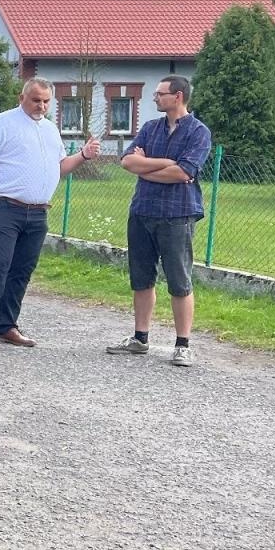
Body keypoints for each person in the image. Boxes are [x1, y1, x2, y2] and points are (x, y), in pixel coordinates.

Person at [0, 78, 101, 352]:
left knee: (22, 271)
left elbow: (60, 167)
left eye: (46, 101)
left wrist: (84, 155)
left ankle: (7, 326)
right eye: (36, 100)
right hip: (3, 207)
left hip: (38, 212)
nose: (41, 105)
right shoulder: (2, 123)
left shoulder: (50, 130)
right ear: (22, 97)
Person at [105, 74, 213, 367]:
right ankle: (140, 338)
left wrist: (147, 167)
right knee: (141, 277)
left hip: (178, 214)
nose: (155, 98)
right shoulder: (150, 128)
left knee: (179, 279)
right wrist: (165, 164)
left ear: (177, 96)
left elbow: (184, 172)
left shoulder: (198, 132)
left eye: (160, 93)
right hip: (142, 211)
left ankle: (182, 345)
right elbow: (127, 161)